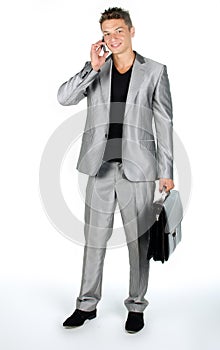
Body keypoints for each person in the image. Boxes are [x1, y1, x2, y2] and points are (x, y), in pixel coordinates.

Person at [57, 7, 174, 333]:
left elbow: (164, 123)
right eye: (107, 33)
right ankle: (86, 305)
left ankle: (136, 306)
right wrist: (91, 68)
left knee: (139, 242)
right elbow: (64, 98)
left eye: (118, 31)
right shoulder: (98, 69)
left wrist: (166, 169)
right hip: (101, 168)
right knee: (94, 240)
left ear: (131, 31)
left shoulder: (155, 72)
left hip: (139, 170)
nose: (113, 38)